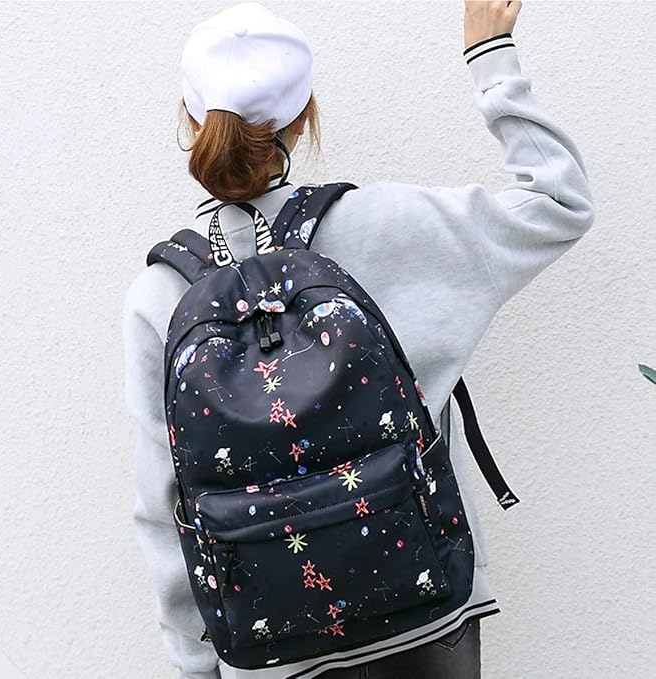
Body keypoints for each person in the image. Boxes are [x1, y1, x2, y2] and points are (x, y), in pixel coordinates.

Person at [121, 1, 594, 678]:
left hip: (270, 645)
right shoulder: (390, 223)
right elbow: (559, 201)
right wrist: (490, 57)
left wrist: (196, 663)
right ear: (305, 114)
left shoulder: (159, 295)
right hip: (425, 613)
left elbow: (161, 504)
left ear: (192, 121)